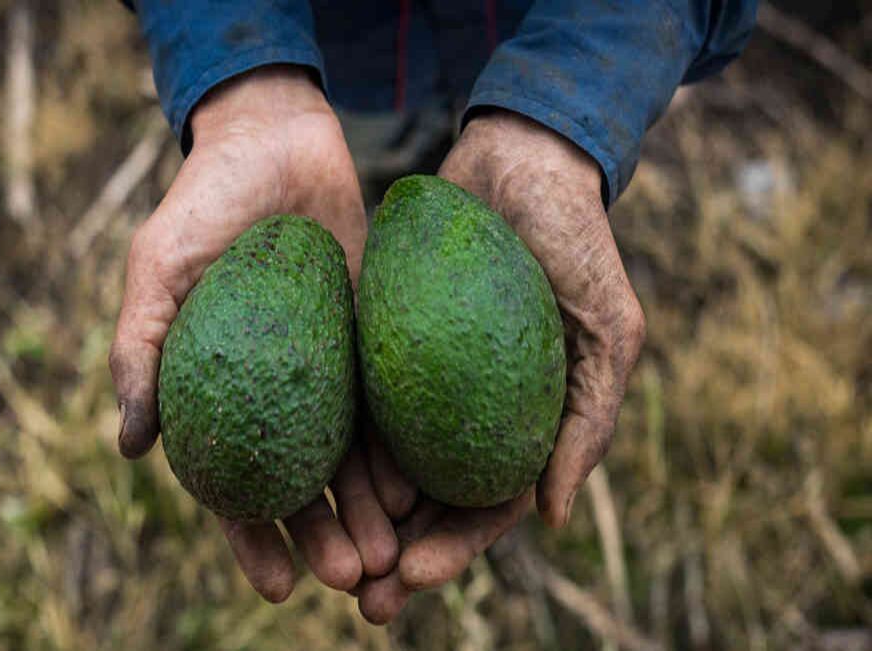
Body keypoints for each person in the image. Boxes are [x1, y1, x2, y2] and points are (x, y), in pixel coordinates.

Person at [110, 0, 756, 625]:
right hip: (338, 66)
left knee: (457, 216)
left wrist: (572, 104)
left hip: (547, 46)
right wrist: (242, 70)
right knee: (370, 173)